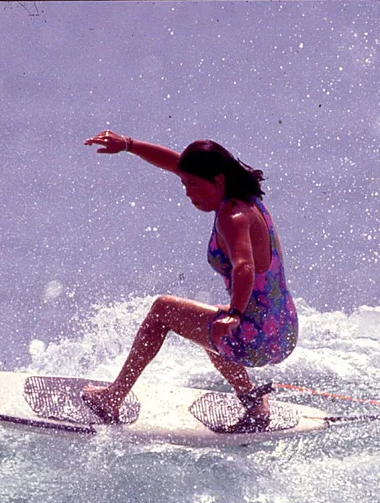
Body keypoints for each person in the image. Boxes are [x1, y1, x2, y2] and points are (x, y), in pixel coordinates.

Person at [80, 132, 299, 432]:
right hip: (282, 331)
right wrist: (130, 146)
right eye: (185, 183)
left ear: (218, 180)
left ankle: (112, 398)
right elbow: (177, 164)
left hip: (255, 338)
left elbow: (244, 266)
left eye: (193, 184)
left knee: (162, 310)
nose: (186, 191)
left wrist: (235, 314)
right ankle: (252, 402)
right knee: (208, 321)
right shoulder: (247, 199)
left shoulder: (232, 217)